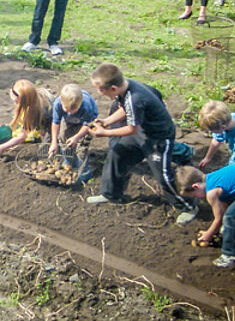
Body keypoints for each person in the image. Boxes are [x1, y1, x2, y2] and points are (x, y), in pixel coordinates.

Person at [85, 63, 198, 224]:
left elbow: (131, 128)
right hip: (143, 132)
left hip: (159, 138)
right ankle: (111, 194)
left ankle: (188, 206)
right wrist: (107, 121)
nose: (99, 93)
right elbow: (126, 109)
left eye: (100, 90)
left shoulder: (135, 98)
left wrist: (105, 133)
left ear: (114, 88)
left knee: (163, 176)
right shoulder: (126, 86)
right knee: (118, 154)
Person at [0, 80, 53, 156]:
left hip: (55, 123)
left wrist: (2, 147)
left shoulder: (35, 111)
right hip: (48, 119)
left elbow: (22, 137)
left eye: (16, 102)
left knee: (44, 151)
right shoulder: (35, 95)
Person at [47, 84, 98, 163]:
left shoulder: (86, 105)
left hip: (86, 119)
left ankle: (82, 165)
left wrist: (77, 137)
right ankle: (68, 160)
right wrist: (54, 142)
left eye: (74, 109)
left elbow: (86, 125)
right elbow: (56, 122)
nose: (70, 113)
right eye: (67, 109)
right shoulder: (57, 104)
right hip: (67, 119)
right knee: (63, 136)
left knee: (82, 142)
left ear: (80, 104)